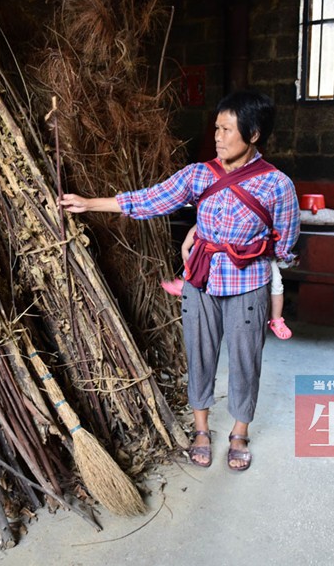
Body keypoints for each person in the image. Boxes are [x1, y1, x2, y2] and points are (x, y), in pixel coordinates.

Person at [59, 90, 300, 471]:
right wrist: (90, 203)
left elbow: (284, 242)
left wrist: (251, 257)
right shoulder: (199, 174)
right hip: (200, 280)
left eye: (227, 129)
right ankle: (201, 429)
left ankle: (240, 431)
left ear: (253, 134)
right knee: (200, 354)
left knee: (245, 359)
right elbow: (151, 199)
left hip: (248, 283)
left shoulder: (277, 185)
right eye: (216, 128)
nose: (218, 137)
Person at [161, 224, 293, 340]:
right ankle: (187, 284)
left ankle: (276, 319)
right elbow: (199, 225)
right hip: (217, 249)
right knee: (199, 262)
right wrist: (185, 246)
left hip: (258, 252)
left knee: (276, 283)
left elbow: (284, 228)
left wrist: (281, 253)